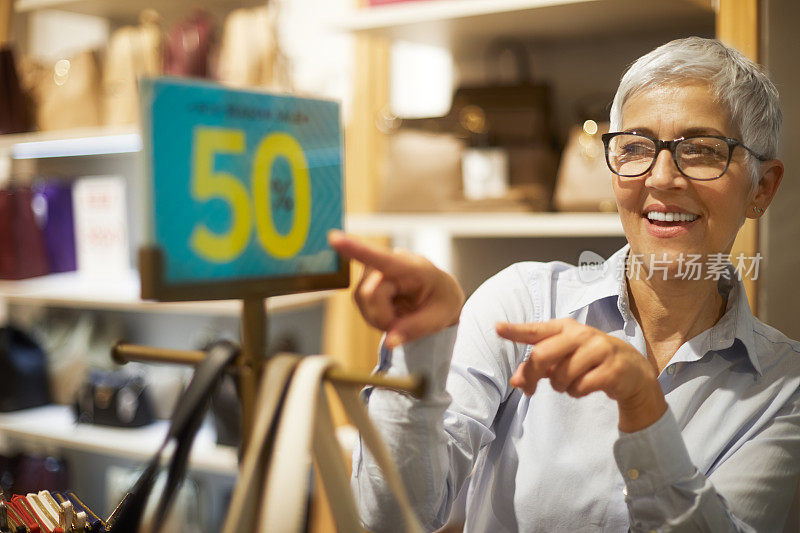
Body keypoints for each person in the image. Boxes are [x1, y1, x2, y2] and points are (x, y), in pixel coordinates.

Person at [328, 36, 798, 532]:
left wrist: (644, 413)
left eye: (700, 150)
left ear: (761, 188)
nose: (661, 178)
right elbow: (390, 518)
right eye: (635, 147)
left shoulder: (782, 386)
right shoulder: (523, 305)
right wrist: (420, 348)